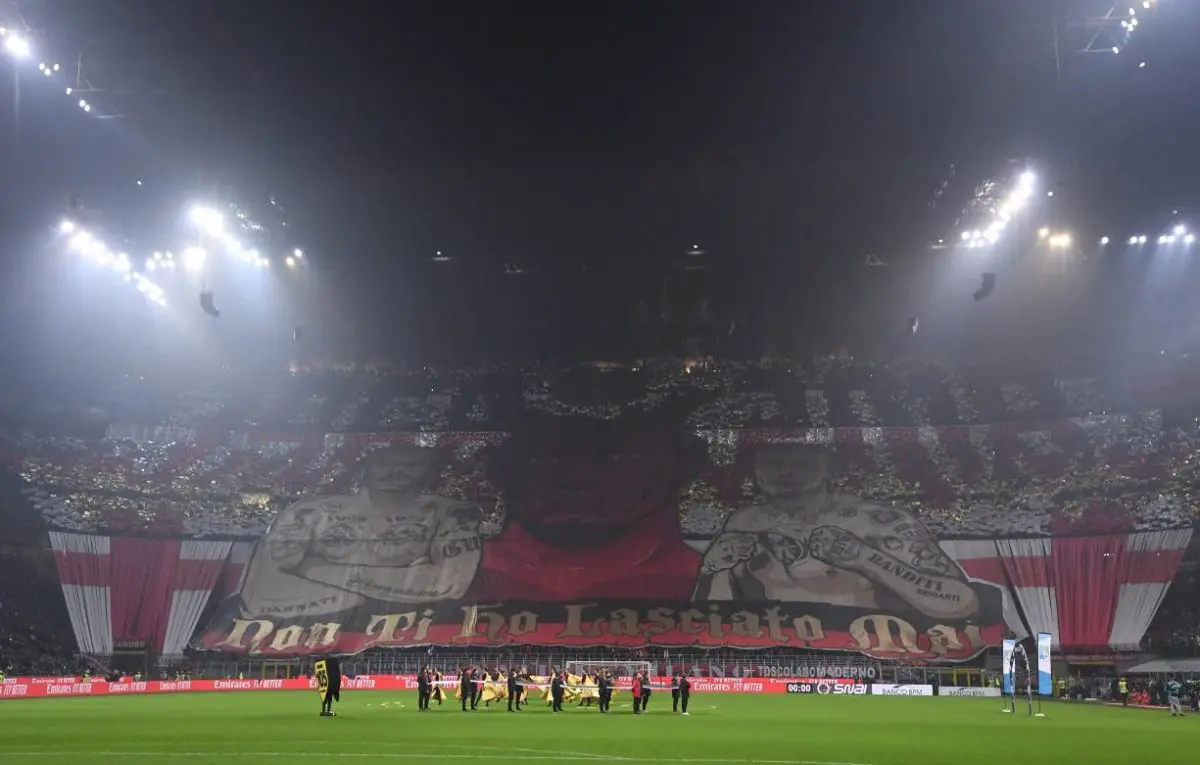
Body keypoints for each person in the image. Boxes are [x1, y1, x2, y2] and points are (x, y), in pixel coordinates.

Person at [693, 443, 982, 620]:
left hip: (869, 654)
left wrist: (864, 557)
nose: (786, 473)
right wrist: (711, 569)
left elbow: (961, 602)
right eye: (775, 463)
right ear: (757, 472)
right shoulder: (744, 522)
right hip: (778, 653)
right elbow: (711, 613)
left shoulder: (880, 522)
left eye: (803, 464)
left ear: (828, 471)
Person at [237, 444, 484, 621]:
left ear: (429, 472)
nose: (394, 471)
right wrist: (405, 577)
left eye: (410, 465)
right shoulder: (309, 511)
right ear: (364, 468)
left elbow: (450, 584)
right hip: (299, 631)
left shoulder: (452, 512)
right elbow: (262, 594)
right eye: (384, 464)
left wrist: (309, 567)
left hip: (404, 627)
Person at [474, 423, 703, 601]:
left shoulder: (705, 573)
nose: (578, 480)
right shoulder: (473, 573)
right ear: (501, 471)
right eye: (545, 459)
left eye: (618, 459)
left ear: (683, 465)